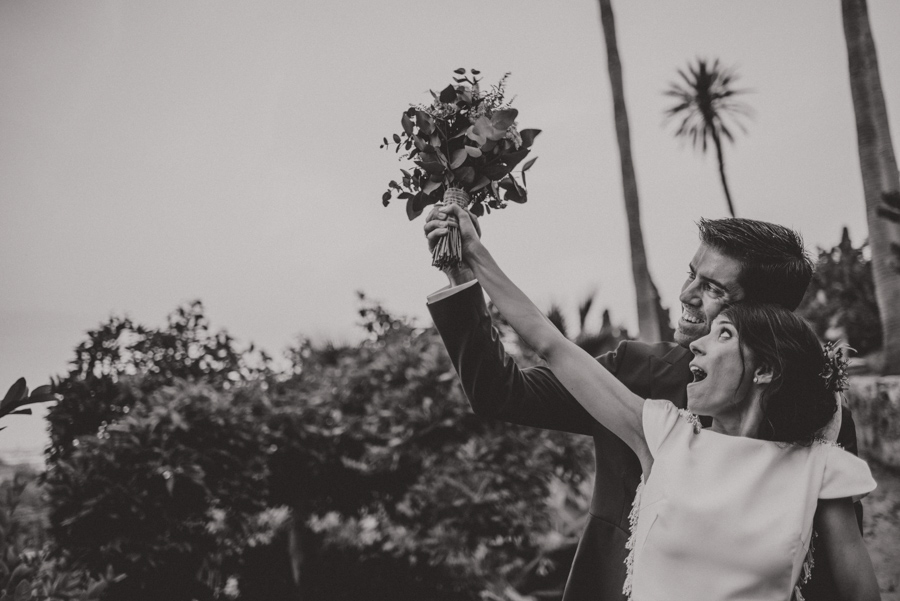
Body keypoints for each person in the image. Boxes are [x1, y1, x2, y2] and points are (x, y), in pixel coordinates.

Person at [426, 203, 880, 600]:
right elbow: (500, 391)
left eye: (713, 289)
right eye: (691, 275)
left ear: (762, 317)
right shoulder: (638, 374)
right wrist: (463, 273)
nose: (685, 295)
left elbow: (833, 568)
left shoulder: (820, 420)